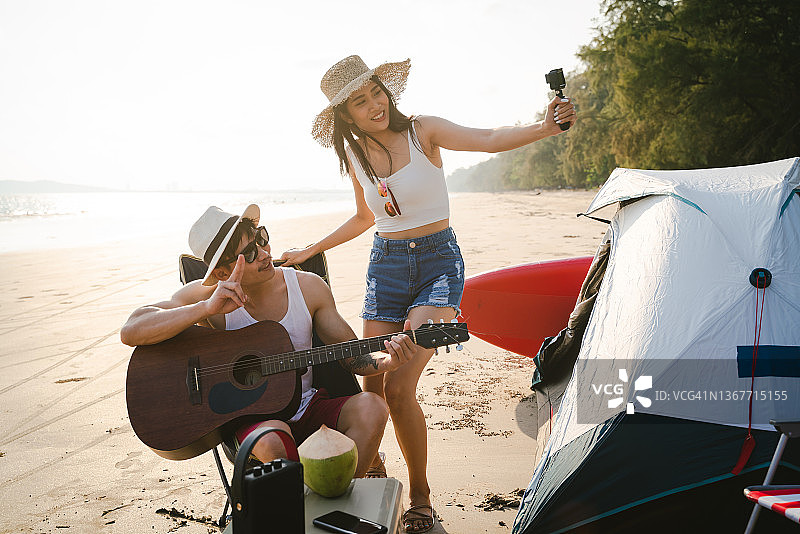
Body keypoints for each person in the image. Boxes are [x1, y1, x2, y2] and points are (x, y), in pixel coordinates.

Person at [280, 55, 577, 532]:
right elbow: (365, 217)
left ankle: (419, 497)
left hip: (438, 264)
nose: (375, 104)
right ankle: (374, 467)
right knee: (372, 386)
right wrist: (310, 249)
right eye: (360, 101)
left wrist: (545, 128)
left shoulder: (424, 131)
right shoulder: (355, 155)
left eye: (376, 92)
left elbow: (488, 138)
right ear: (346, 115)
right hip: (385, 267)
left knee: (400, 388)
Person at [120, 203, 417, 476]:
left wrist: (387, 361)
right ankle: (300, 503)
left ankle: (340, 493)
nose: (264, 254)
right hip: (251, 421)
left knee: (373, 407)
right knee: (273, 440)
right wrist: (205, 308)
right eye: (249, 253)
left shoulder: (308, 288)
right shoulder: (207, 297)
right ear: (222, 272)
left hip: (308, 407)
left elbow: (353, 356)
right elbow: (132, 329)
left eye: (261, 239)